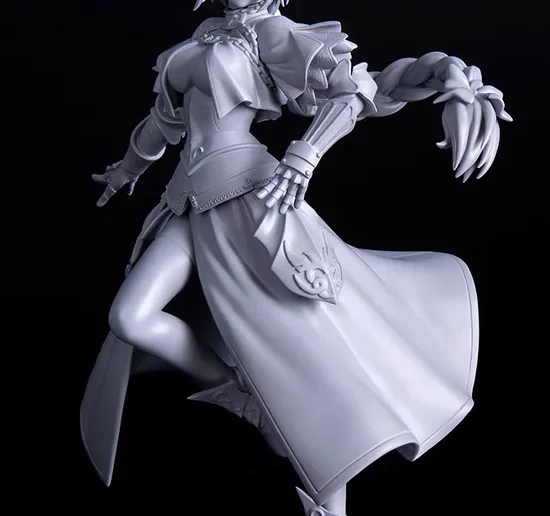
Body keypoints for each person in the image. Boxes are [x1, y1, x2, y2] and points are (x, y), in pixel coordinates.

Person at [80, 1, 512, 514]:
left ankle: (329, 503)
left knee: (308, 344)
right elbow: (163, 121)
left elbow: (355, 90)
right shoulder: (208, 32)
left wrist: (305, 155)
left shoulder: (272, 31)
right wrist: (125, 171)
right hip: (188, 201)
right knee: (130, 316)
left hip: (251, 198)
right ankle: (247, 401)